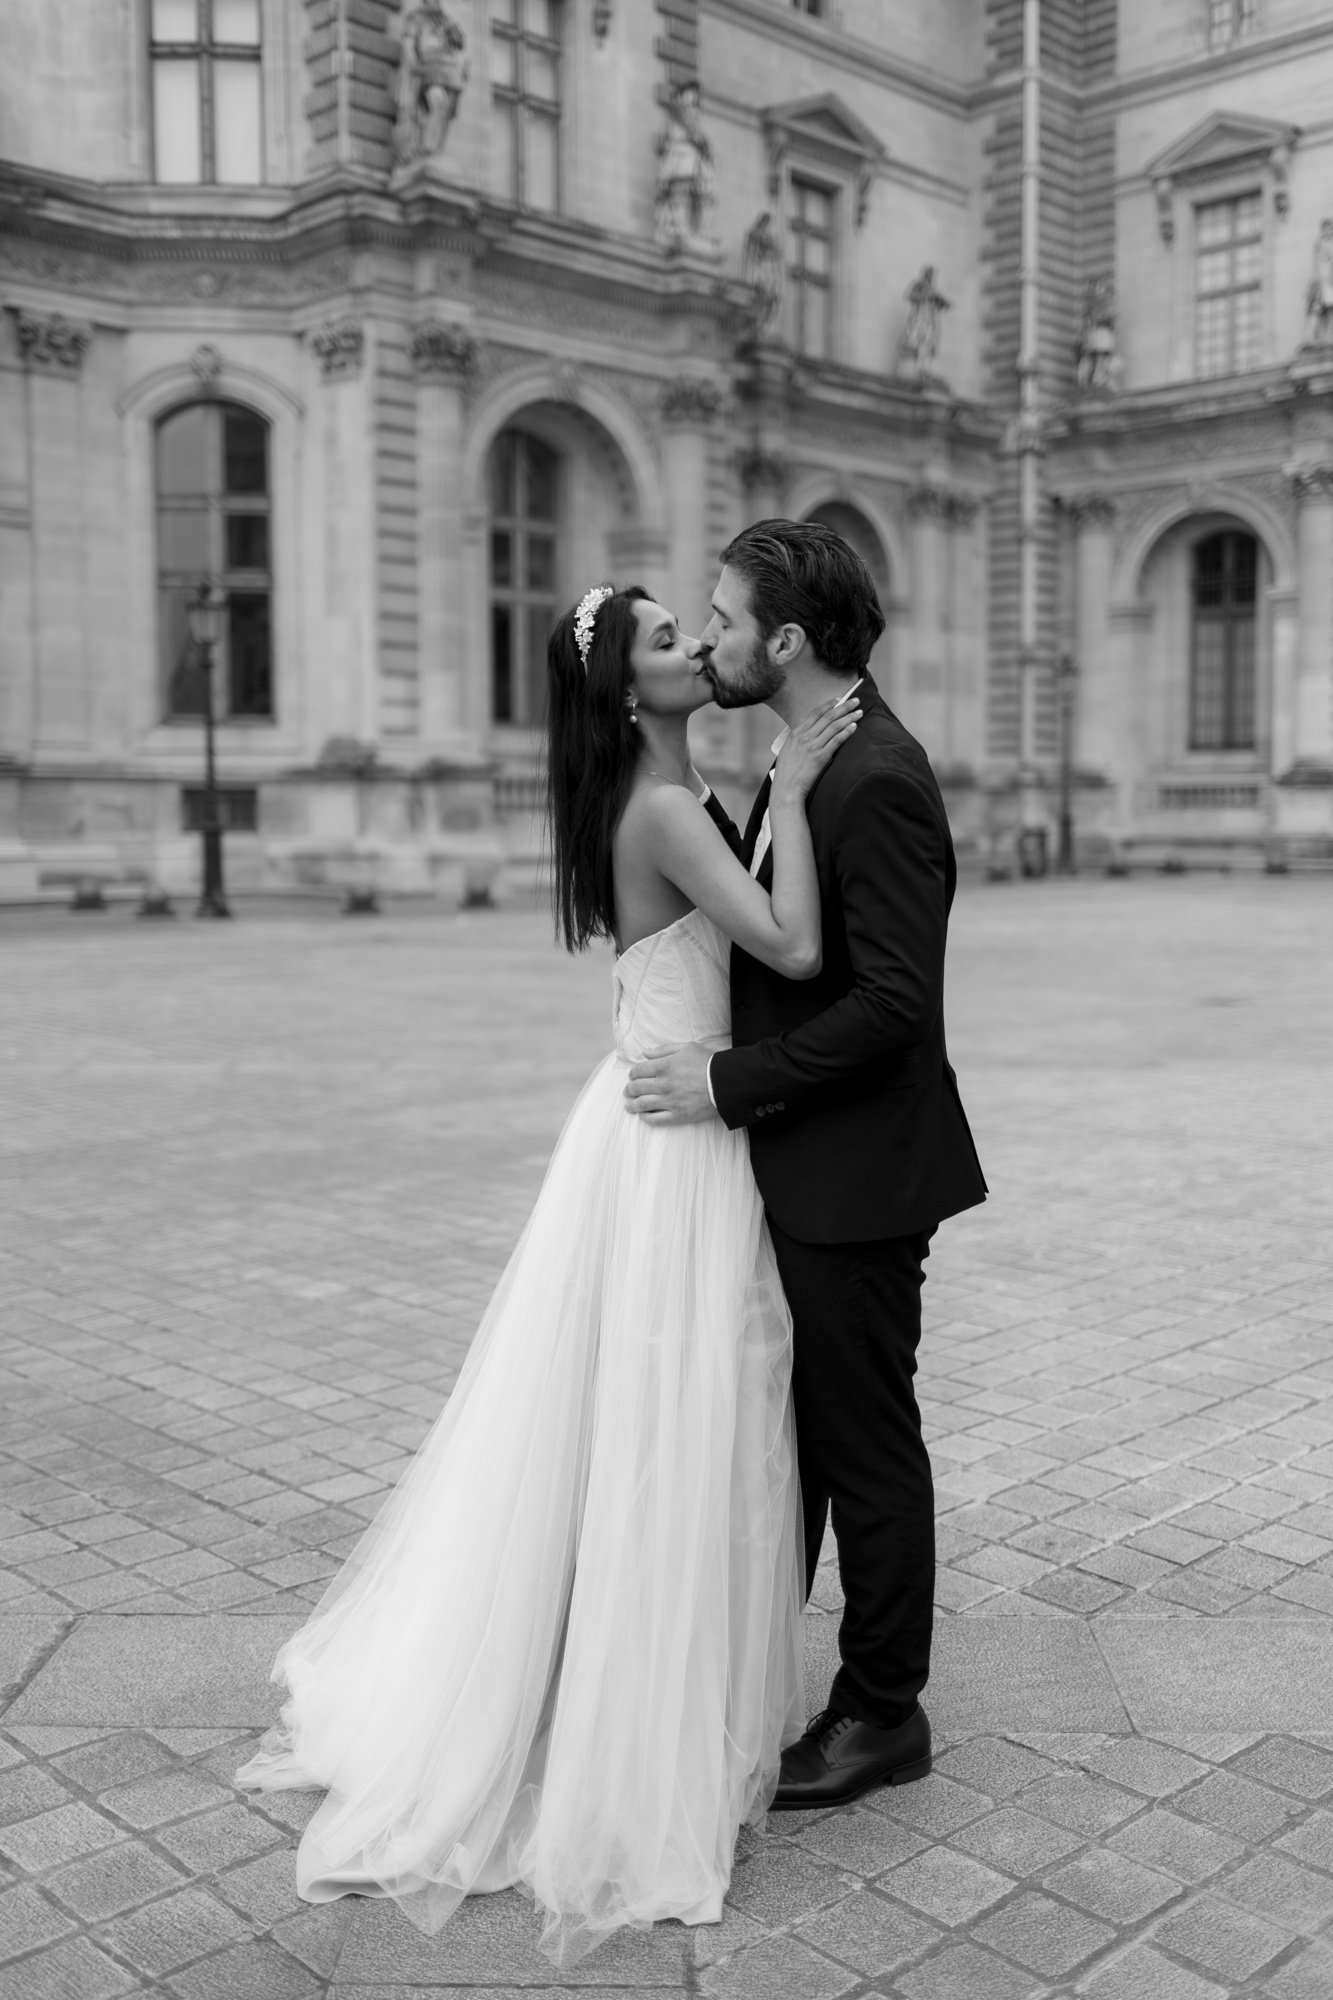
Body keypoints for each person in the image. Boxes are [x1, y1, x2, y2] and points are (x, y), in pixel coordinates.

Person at [235, 582, 860, 1964]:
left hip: (644, 1116)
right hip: (677, 1142)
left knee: (633, 1416)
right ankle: (640, 1717)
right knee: (682, 1418)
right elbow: (798, 949)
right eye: (663, 642)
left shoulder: (646, 799)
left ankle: (603, 1682)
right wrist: (799, 793)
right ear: (626, 693)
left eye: (690, 630)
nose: (695, 648)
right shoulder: (658, 808)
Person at [626, 518, 987, 1810]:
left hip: (858, 1178)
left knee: (864, 1450)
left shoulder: (873, 773)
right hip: (811, 1163)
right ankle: (767, 1682)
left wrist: (728, 1081)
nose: (708, 636)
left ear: (781, 640)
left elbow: (893, 1001)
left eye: (721, 619)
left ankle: (881, 1712)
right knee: (805, 1444)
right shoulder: (804, 756)